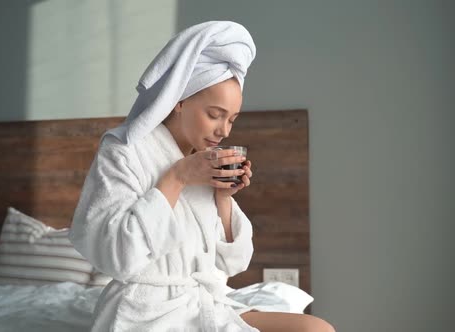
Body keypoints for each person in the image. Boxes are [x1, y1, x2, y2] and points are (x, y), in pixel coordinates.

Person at [69, 21, 335, 332]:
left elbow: (231, 265)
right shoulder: (124, 151)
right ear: (179, 101)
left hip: (205, 301)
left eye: (232, 119)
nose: (223, 131)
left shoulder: (203, 160)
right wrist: (178, 177)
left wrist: (223, 198)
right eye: (215, 114)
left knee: (317, 329)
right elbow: (119, 258)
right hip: (146, 311)